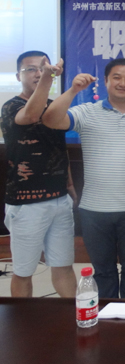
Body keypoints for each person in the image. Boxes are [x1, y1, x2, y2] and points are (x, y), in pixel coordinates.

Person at [43, 58, 125, 299]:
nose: (122, 83)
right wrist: (73, 90)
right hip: (94, 209)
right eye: (116, 77)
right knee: (103, 271)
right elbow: (50, 119)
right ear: (105, 81)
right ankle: (105, 318)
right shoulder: (86, 112)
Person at [1, 51, 77, 298]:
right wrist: (48, 76)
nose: (37, 73)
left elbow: (59, 148)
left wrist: (69, 185)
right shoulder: (11, 106)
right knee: (24, 272)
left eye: (42, 68)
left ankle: (74, 316)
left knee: (64, 266)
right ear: (18, 76)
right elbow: (32, 115)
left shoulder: (54, 106)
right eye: (31, 69)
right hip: (27, 203)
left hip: (59, 198)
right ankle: (21, 321)